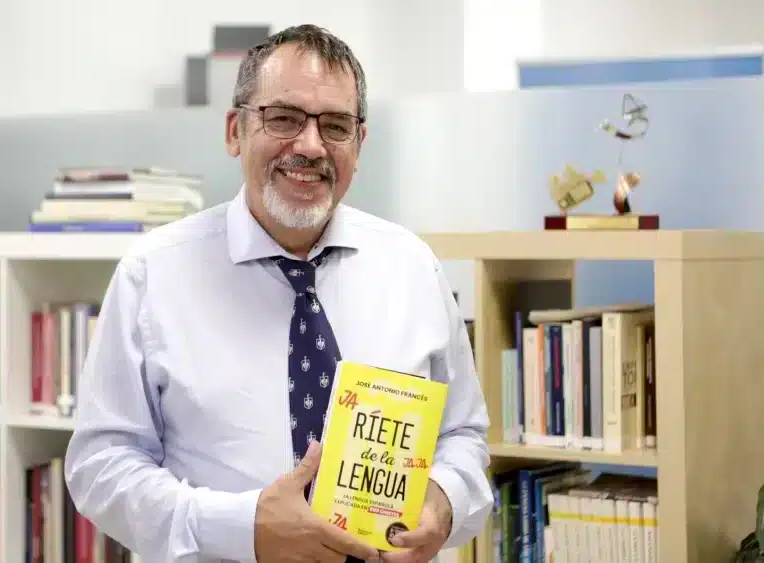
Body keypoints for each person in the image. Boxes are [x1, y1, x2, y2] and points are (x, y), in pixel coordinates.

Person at [64, 24, 493, 563]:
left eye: (335, 125)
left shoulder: (412, 267)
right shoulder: (153, 274)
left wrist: (444, 505)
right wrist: (243, 527)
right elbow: (101, 466)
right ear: (234, 131)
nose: (310, 145)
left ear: (359, 146)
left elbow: (463, 435)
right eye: (284, 118)